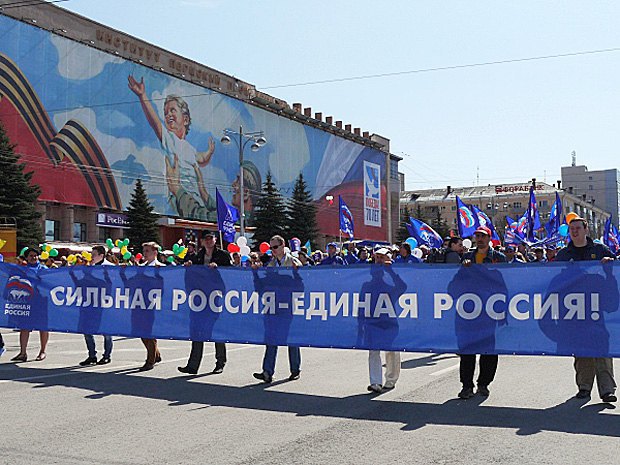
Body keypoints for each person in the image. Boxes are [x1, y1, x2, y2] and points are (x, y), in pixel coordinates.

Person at [127, 75, 216, 218]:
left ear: (185, 119)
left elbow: (202, 158)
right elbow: (155, 122)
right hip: (178, 198)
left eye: (172, 110)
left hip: (193, 200)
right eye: (166, 112)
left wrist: (210, 152)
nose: (168, 114)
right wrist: (143, 96)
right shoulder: (170, 139)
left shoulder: (190, 148)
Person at [555, 216, 617, 403]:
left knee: (602, 350)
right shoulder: (564, 254)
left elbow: (613, 274)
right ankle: (584, 387)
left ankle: (607, 390)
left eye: (578, 228)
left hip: (597, 308)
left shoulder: (599, 250)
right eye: (572, 228)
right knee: (581, 350)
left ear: (586, 230)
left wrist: (609, 264)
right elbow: (554, 279)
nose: (574, 231)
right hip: (574, 310)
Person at [457, 226, 506, 398]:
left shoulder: (498, 259)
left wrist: (502, 310)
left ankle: (484, 384)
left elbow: (504, 286)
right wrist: (465, 270)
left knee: (489, 351)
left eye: (483, 236)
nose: (479, 239)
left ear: (489, 238)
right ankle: (467, 386)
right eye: (477, 236)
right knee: (467, 350)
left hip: (489, 312)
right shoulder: (467, 258)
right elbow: (455, 285)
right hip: (469, 312)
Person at [178, 231, 231, 375]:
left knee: (216, 330)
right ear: (201, 241)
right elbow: (190, 275)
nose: (208, 241)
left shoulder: (223, 255)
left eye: (210, 238)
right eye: (205, 239)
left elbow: (231, 274)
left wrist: (218, 268)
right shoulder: (196, 257)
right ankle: (193, 365)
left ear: (215, 240)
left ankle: (220, 362)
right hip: (199, 298)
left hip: (215, 296)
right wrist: (189, 267)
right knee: (196, 330)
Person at [252, 235, 302, 383]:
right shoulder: (270, 265)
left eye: (275, 247)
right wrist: (255, 273)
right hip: (273, 306)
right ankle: (267, 371)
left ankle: (295, 369)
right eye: (271, 248)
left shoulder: (294, 262)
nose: (273, 250)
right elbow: (261, 288)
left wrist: (295, 273)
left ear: (282, 246)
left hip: (288, 305)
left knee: (291, 338)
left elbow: (301, 287)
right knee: (271, 338)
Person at [364, 248, 405, 392]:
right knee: (373, 351)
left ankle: (391, 379)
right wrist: (360, 323)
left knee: (391, 351)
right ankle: (375, 382)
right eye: (377, 257)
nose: (379, 260)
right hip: (373, 320)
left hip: (389, 320)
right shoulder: (369, 279)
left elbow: (402, 287)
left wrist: (391, 271)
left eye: (381, 257)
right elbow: (362, 302)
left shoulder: (392, 274)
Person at [11, 247, 49, 362]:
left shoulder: (44, 269)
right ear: (26, 258)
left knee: (43, 327)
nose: (33, 257)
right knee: (24, 327)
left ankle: (42, 351)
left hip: (42, 302)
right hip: (27, 302)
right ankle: (23, 353)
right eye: (31, 256)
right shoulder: (23, 270)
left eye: (35, 255)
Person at [79, 245, 114, 366]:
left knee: (106, 331)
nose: (91, 257)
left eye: (94, 255)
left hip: (104, 304)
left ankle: (106, 356)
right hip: (90, 303)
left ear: (101, 255)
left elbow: (113, 285)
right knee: (87, 329)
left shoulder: (110, 268)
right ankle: (92, 355)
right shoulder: (90, 268)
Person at [138, 242, 165, 371]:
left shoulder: (161, 267)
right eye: (144, 251)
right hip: (140, 303)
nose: (145, 253)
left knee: (150, 332)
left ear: (155, 253)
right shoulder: (141, 267)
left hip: (153, 304)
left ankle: (150, 361)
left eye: (147, 251)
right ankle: (156, 354)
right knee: (141, 332)